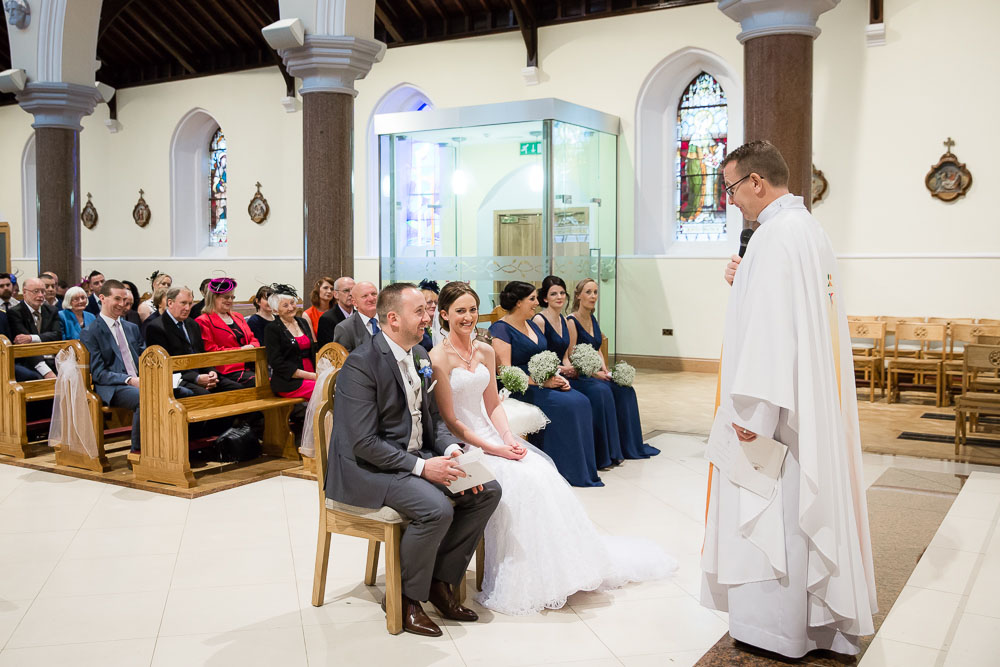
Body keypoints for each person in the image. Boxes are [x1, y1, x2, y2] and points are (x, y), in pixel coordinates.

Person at [701, 140, 876, 659]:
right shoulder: (806, 231)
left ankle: (777, 630)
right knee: (801, 510)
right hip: (806, 403)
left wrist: (754, 415)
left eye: (732, 188)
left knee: (774, 518)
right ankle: (816, 623)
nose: (731, 200)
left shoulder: (777, 238)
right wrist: (743, 274)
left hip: (776, 413)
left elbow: (771, 333)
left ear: (756, 181)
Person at [432, 281, 673, 615]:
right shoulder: (437, 358)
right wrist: (494, 448)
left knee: (542, 473)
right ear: (444, 315)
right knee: (522, 483)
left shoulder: (484, 350)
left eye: (473, 310)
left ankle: (565, 569)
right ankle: (529, 576)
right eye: (460, 311)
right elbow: (452, 421)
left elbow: (492, 405)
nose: (469, 317)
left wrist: (508, 438)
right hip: (468, 443)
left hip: (494, 435)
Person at [327, 282, 501, 637]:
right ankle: (404, 599)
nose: (429, 316)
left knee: (486, 490)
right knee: (437, 508)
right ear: (393, 318)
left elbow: (433, 420)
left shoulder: (420, 354)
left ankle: (440, 582)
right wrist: (423, 467)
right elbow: (363, 442)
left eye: (428, 309)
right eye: (420, 311)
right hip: (368, 470)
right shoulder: (362, 364)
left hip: (414, 458)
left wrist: (451, 451)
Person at [488, 281, 601, 488]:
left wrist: (556, 377)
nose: (536, 303)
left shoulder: (531, 324)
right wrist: (542, 382)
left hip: (543, 381)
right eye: (531, 299)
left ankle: (581, 469)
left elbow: (543, 359)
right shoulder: (501, 329)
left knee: (581, 400)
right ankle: (563, 469)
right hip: (520, 387)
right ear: (518, 302)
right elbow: (504, 371)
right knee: (568, 405)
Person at [534, 275, 623, 469]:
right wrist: (563, 369)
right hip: (550, 374)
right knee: (596, 393)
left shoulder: (563, 320)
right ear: (545, 298)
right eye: (553, 294)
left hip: (566, 372)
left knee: (610, 389)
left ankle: (607, 452)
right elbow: (539, 357)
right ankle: (589, 458)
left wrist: (570, 367)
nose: (559, 297)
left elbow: (566, 355)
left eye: (561, 293)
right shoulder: (540, 320)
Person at [568, 278, 660, 460]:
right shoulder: (572, 321)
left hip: (597, 372)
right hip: (581, 375)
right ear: (578, 296)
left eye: (595, 292)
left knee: (626, 390)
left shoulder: (593, 318)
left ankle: (627, 445)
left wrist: (606, 370)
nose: (593, 296)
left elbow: (598, 349)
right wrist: (595, 374)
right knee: (604, 392)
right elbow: (572, 355)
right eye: (588, 292)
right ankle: (608, 451)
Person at [80, 280, 145, 453]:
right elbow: (99, 373)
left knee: (182, 392)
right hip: (113, 386)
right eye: (117, 299)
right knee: (145, 398)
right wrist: (130, 380)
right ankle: (138, 452)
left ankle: (178, 447)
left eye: (124, 300)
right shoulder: (91, 332)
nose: (122, 304)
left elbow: (144, 357)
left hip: (140, 380)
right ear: (102, 298)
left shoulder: (131, 328)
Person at [145, 286, 243, 396]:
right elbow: (164, 365)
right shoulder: (156, 327)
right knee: (204, 395)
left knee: (237, 389)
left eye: (190, 303)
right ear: (170, 303)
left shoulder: (192, 324)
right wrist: (197, 378)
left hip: (201, 373)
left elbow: (202, 354)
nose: (187, 308)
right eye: (183, 303)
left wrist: (211, 372)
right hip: (179, 378)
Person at [196, 277, 260, 387]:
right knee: (261, 383)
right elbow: (211, 350)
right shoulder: (203, 321)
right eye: (226, 297)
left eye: (232, 297)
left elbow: (253, 339)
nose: (230, 300)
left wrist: (252, 347)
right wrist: (240, 350)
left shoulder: (238, 317)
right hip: (227, 370)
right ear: (214, 298)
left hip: (251, 365)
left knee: (275, 379)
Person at [263, 285, 318, 399]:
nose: (291, 307)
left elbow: (313, 350)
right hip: (289, 381)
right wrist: (312, 376)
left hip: (312, 374)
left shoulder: (302, 322)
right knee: (324, 388)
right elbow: (277, 363)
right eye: (285, 305)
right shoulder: (272, 328)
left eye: (292, 303)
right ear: (275, 310)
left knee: (336, 385)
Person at [9, 277, 64, 380]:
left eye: (43, 291)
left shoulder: (52, 310)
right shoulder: (15, 312)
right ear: (24, 292)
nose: (40, 295)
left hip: (52, 358)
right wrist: (46, 372)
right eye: (36, 291)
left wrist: (31, 338)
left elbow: (57, 335)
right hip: (29, 361)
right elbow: (24, 344)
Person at [332, 281, 379, 352]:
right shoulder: (345, 329)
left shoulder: (390, 320)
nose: (371, 299)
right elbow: (345, 361)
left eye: (374, 294)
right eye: (365, 296)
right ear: (354, 302)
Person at [316, 276, 355, 347]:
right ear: (336, 294)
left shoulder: (359, 315)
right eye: (346, 290)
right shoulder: (327, 319)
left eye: (353, 290)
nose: (351, 294)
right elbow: (327, 350)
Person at [417, 279, 439, 352]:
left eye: (436, 302)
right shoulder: (418, 326)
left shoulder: (442, 325)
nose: (434, 305)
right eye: (429, 302)